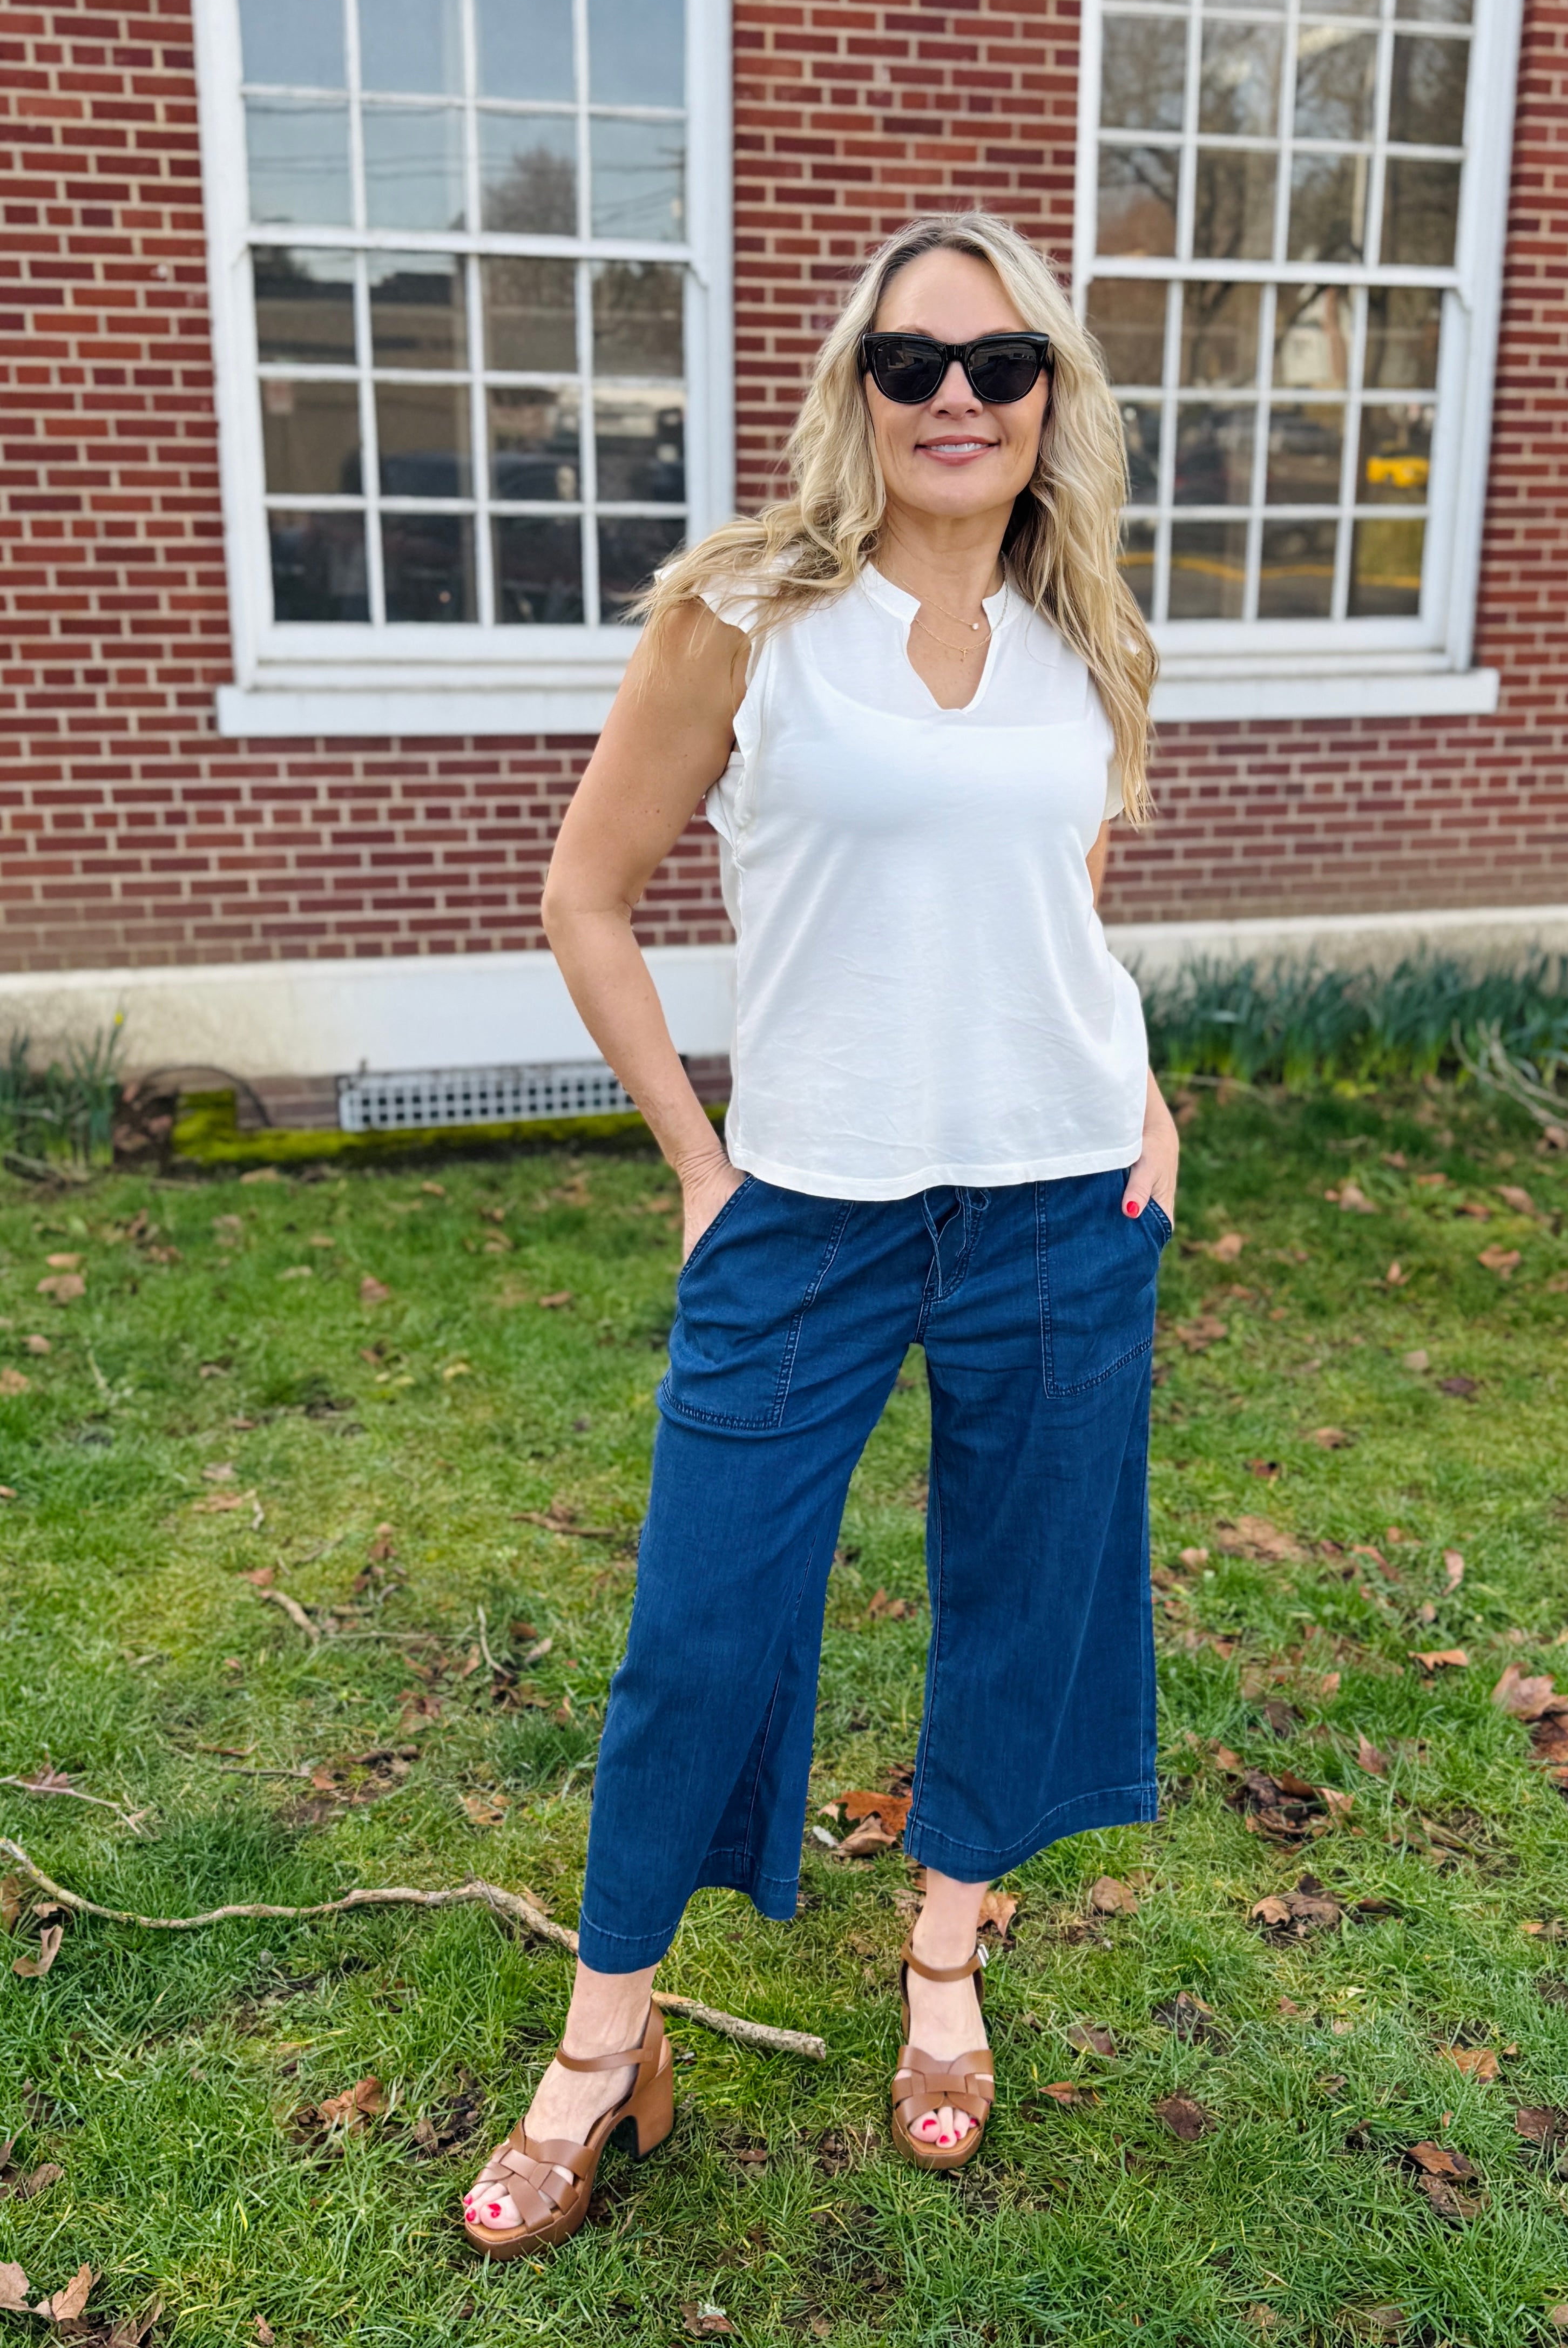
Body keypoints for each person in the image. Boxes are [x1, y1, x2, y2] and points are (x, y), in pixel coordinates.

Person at [462, 210, 1179, 2256]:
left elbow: (1056, 910)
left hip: (1061, 1195)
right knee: (702, 1623)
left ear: (1054, 395)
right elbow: (585, 894)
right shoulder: (748, 614)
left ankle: (944, 1959)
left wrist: (1137, 1090)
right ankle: (608, 2039)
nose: (957, 396)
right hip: (813, 1204)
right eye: (911, 360)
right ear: (856, 388)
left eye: (1000, 362)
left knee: (1033, 1591)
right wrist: (703, 1162)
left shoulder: (1093, 633)